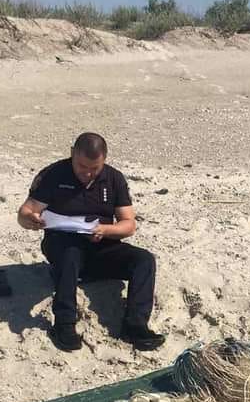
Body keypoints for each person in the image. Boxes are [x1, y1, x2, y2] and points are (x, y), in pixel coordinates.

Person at [17, 132, 165, 352]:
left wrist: (106, 230)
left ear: (104, 160)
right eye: (81, 166)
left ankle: (135, 326)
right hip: (62, 245)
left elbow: (129, 225)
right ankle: (65, 323)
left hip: (101, 245)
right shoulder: (54, 174)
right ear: (72, 155)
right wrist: (30, 219)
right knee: (70, 254)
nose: (87, 173)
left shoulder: (114, 178)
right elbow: (25, 212)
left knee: (144, 260)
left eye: (94, 168)